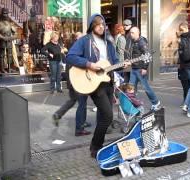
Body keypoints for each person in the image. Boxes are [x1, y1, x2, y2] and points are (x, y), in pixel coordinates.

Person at [66, 14, 130, 158]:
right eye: (98, 24)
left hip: (107, 81)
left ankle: (97, 146)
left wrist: (122, 65)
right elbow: (70, 56)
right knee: (108, 116)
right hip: (94, 83)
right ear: (92, 26)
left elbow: (112, 64)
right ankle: (95, 145)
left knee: (103, 116)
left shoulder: (108, 43)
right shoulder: (85, 41)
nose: (101, 26)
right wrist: (89, 64)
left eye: (103, 24)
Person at [52, 32, 92, 131]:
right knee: (82, 103)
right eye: (82, 37)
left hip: (71, 80)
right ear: (77, 39)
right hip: (76, 80)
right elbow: (78, 65)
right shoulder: (78, 49)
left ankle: (58, 114)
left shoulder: (73, 47)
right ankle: (81, 125)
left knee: (73, 100)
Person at [129, 26, 161, 111]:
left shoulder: (141, 42)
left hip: (139, 69)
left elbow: (147, 56)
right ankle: (135, 105)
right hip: (134, 68)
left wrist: (144, 68)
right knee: (131, 88)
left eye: (132, 33)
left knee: (146, 87)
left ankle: (155, 102)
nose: (130, 34)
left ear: (137, 33)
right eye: (130, 32)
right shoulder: (133, 42)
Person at [0, 8, 18, 73]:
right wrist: (3, 38)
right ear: (2, 14)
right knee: (2, 55)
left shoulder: (11, 23)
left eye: (6, 13)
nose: (5, 15)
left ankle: (10, 68)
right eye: (4, 13)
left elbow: (16, 34)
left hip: (9, 41)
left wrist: (10, 38)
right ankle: (2, 68)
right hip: (2, 41)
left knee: (9, 55)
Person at [176, 22, 190, 108]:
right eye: (180, 30)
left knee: (188, 84)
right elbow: (180, 53)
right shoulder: (181, 39)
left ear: (186, 29)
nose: (180, 31)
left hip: (189, 65)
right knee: (185, 84)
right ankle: (186, 101)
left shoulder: (189, 38)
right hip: (183, 65)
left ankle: (187, 102)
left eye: (182, 30)